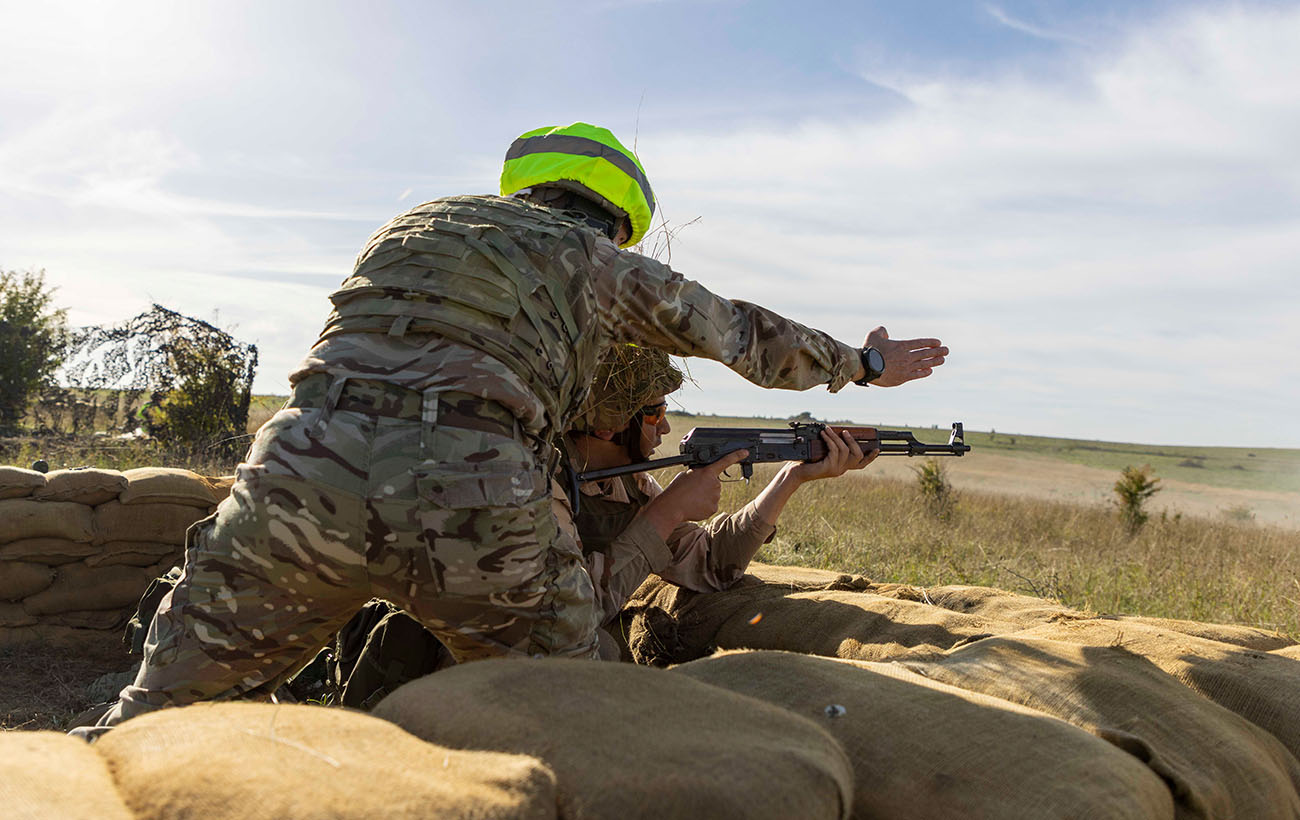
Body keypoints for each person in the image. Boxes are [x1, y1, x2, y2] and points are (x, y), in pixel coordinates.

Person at [76, 121, 947, 736]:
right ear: (616, 221)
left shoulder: (407, 228)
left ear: (526, 186)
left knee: (154, 716)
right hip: (473, 479)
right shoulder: (588, 257)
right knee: (590, 717)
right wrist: (864, 366)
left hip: (300, 462)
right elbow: (740, 335)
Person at [324, 344, 877, 705]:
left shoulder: (624, 482)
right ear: (613, 424)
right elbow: (564, 617)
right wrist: (665, 514)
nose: (663, 428)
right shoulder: (530, 482)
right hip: (464, 674)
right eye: (654, 412)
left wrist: (790, 481)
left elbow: (711, 566)